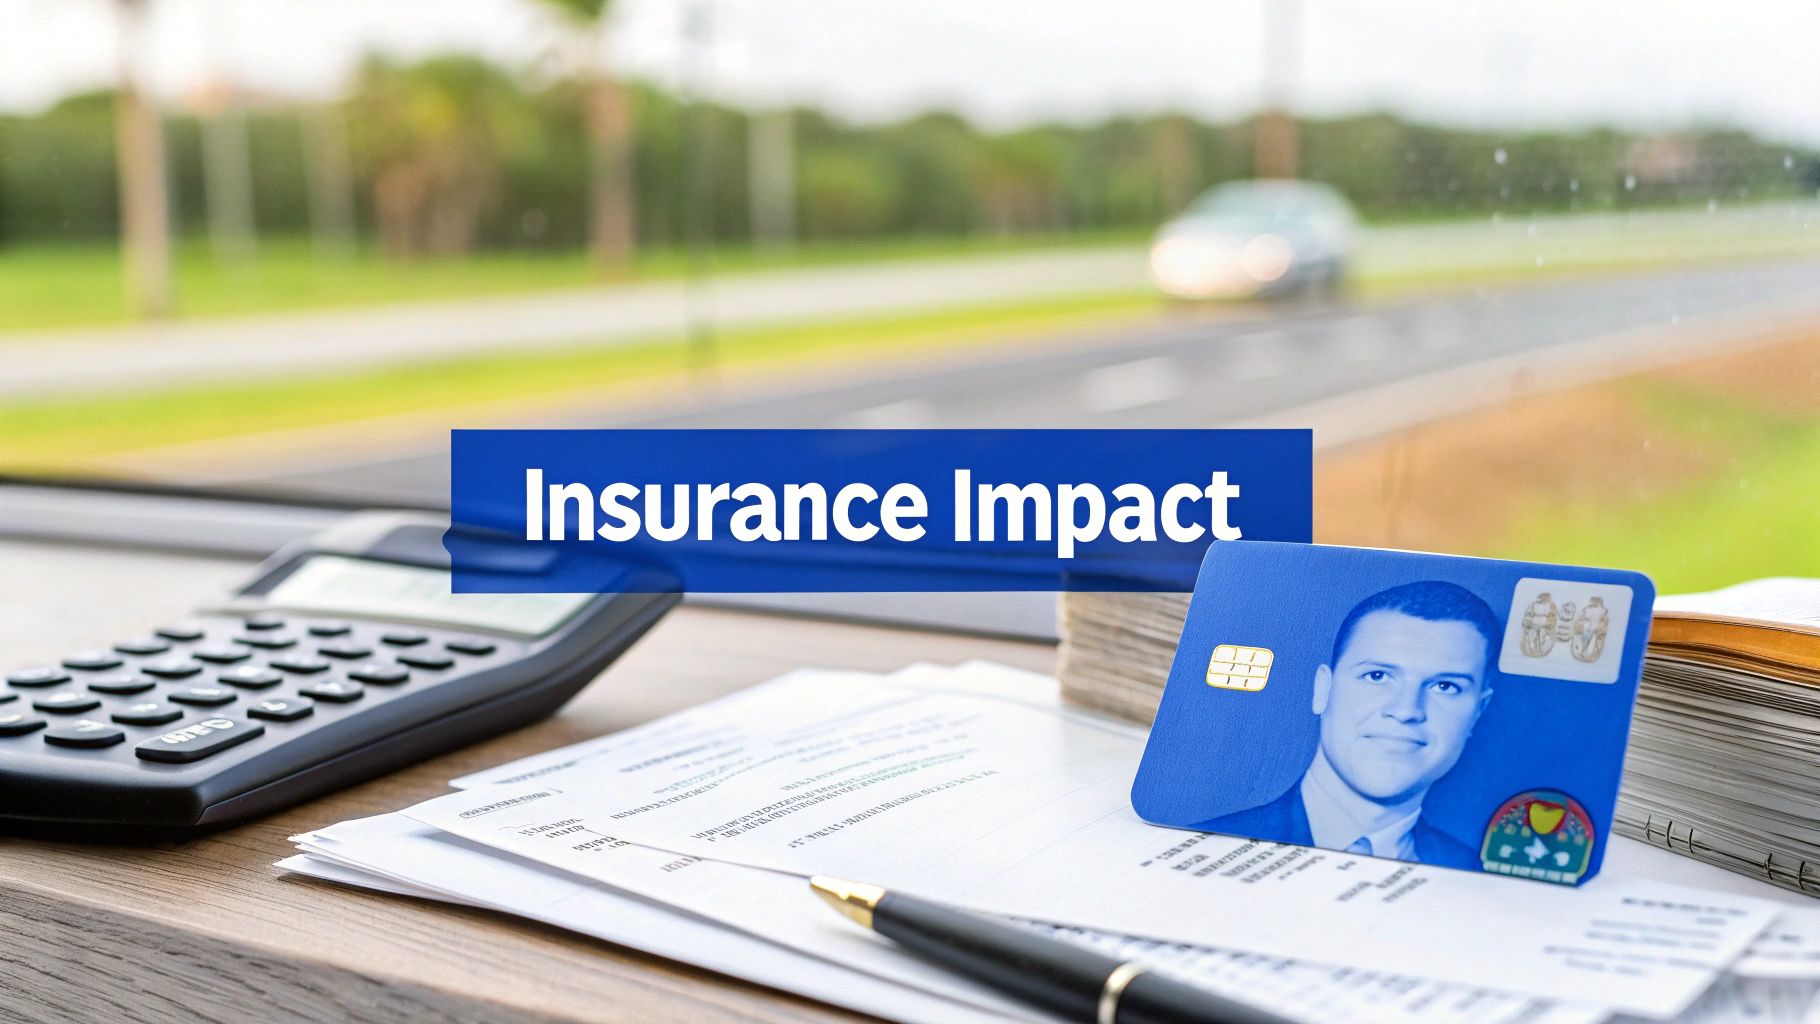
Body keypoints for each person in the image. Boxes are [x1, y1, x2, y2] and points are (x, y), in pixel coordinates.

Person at [1193, 581, 1500, 869]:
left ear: (1478, 711)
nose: (1406, 710)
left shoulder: (1485, 878)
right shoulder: (1204, 845)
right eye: (1377, 676)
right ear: (1323, 690)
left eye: (1445, 686)